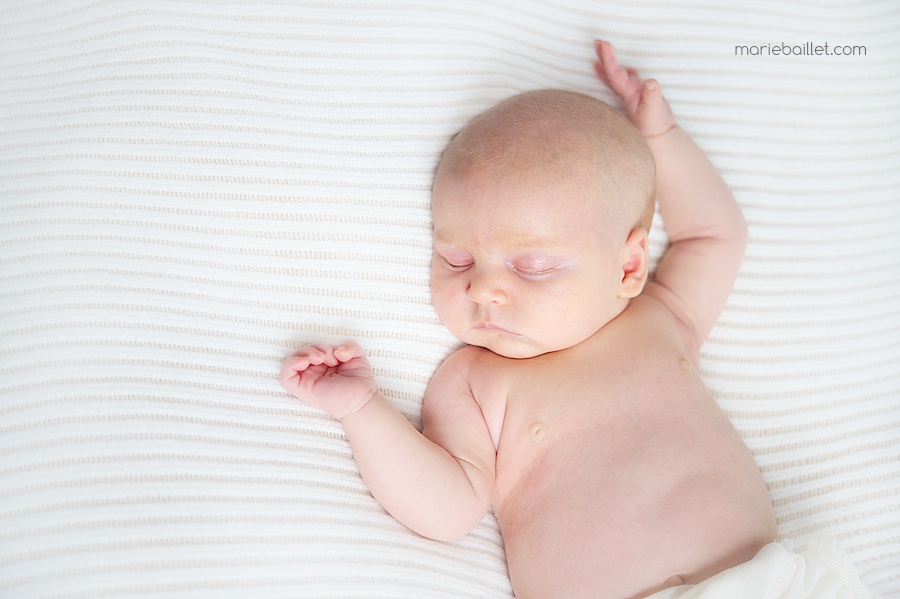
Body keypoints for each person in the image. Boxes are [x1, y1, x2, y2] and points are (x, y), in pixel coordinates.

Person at [279, 40, 777, 599]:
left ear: (628, 266)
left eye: (533, 265)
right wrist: (364, 412)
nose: (484, 289)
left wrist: (659, 139)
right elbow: (447, 509)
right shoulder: (475, 380)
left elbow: (714, 235)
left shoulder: (659, 320)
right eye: (457, 259)